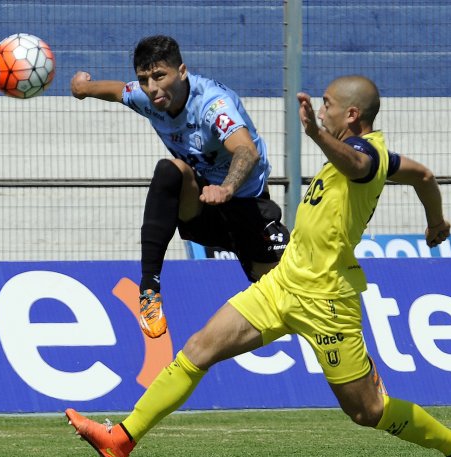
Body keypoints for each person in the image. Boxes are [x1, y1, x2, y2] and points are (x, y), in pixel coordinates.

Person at [65, 75, 451, 457]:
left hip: (326, 298)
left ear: (352, 114)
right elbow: (424, 174)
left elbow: (359, 166)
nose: (322, 110)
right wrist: (436, 221)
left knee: (367, 412)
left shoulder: (363, 154)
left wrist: (317, 134)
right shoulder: (380, 154)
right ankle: (122, 438)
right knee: (198, 349)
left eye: (328, 105)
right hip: (284, 282)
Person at [70, 35, 289, 339]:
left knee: (289, 303)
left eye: (160, 76)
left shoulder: (213, 105)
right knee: (169, 170)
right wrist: (83, 88)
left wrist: (225, 189)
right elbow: (120, 90)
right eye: (144, 79)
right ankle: (149, 290)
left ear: (182, 71)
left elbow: (246, 151)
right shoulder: (148, 98)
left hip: (245, 204)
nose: (153, 87)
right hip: (202, 207)